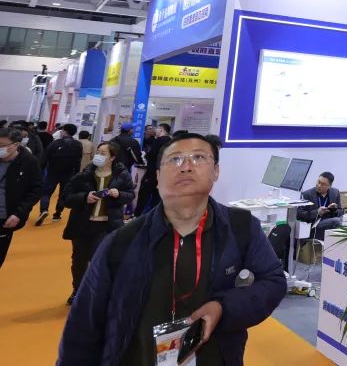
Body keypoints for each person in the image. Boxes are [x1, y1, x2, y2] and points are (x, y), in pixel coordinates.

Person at [58, 132, 287, 365]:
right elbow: (84, 324)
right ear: (158, 176)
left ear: (216, 171)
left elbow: (272, 281)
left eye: (198, 157)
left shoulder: (241, 227)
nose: (186, 167)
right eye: (175, 159)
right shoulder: (122, 241)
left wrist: (223, 308)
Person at [62, 142, 135, 304]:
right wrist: (84, 197)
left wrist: (119, 194)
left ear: (112, 158)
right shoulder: (84, 174)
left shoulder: (122, 175)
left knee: (99, 260)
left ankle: (96, 293)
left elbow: (130, 195)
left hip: (107, 225)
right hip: (82, 224)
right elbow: (66, 198)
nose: (98, 156)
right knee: (79, 260)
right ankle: (78, 290)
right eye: (98, 152)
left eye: (103, 153)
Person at [0, 127, 43, 269]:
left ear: (16, 145)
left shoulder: (29, 162)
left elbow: (36, 190)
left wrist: (19, 213)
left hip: (5, 218)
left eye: (2, 145)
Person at [35, 123, 82, 226]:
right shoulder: (78, 145)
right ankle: (57, 214)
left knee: (46, 193)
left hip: (52, 171)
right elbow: (78, 161)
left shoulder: (55, 143)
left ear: (64, 131)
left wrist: (41, 171)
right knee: (63, 194)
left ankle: (44, 210)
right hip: (68, 173)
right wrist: (76, 174)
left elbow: (45, 158)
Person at [135, 123, 171, 216]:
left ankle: (139, 215)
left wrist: (146, 155)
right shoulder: (171, 142)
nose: (155, 130)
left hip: (152, 171)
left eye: (157, 128)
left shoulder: (158, 141)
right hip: (164, 173)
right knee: (157, 196)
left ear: (161, 130)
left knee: (144, 193)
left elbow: (152, 154)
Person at [298, 171, 342, 241]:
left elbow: (340, 211)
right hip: (313, 226)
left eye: (323, 184)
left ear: (329, 186)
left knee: (344, 221)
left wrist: (335, 210)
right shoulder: (306, 194)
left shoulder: (335, 192)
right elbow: (299, 215)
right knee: (336, 221)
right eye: (318, 182)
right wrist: (317, 212)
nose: (319, 185)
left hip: (329, 223)